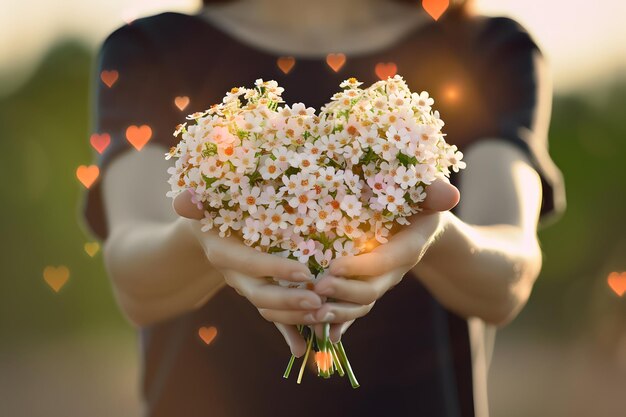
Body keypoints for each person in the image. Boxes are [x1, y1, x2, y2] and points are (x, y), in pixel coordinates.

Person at [81, 0, 566, 415]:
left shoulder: (487, 49)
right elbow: (132, 277)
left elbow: (510, 274)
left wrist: (434, 237)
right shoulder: (149, 51)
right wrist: (199, 241)